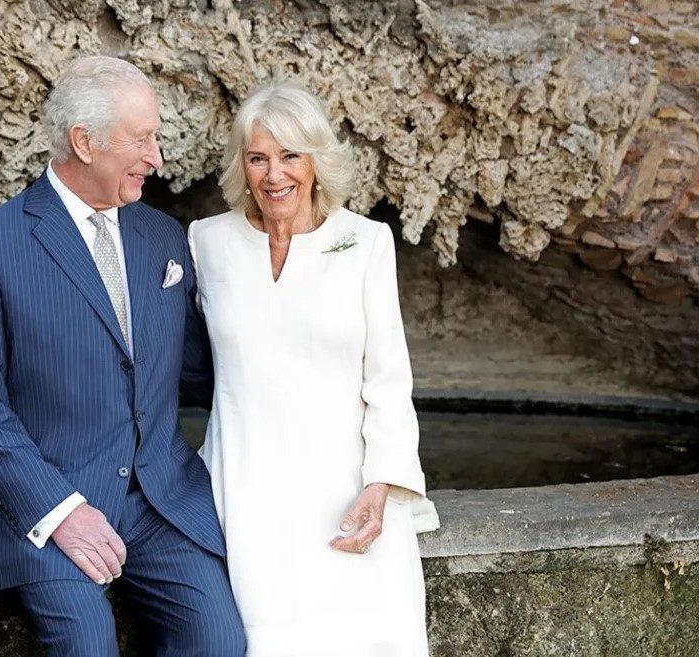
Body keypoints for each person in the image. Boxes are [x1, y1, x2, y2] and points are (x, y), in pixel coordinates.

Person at [0, 56, 245, 657]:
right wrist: (61, 511)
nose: (157, 157)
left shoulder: (163, 236)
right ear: (84, 141)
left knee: (218, 640)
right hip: (49, 500)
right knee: (86, 642)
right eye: (141, 139)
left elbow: (203, 373)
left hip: (160, 499)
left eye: (156, 137)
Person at [187, 81, 436, 657]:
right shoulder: (207, 242)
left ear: (317, 161)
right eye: (258, 158)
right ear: (242, 165)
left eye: (290, 155)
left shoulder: (367, 242)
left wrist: (380, 485)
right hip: (244, 489)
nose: (274, 174)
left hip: (344, 490)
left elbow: (389, 381)